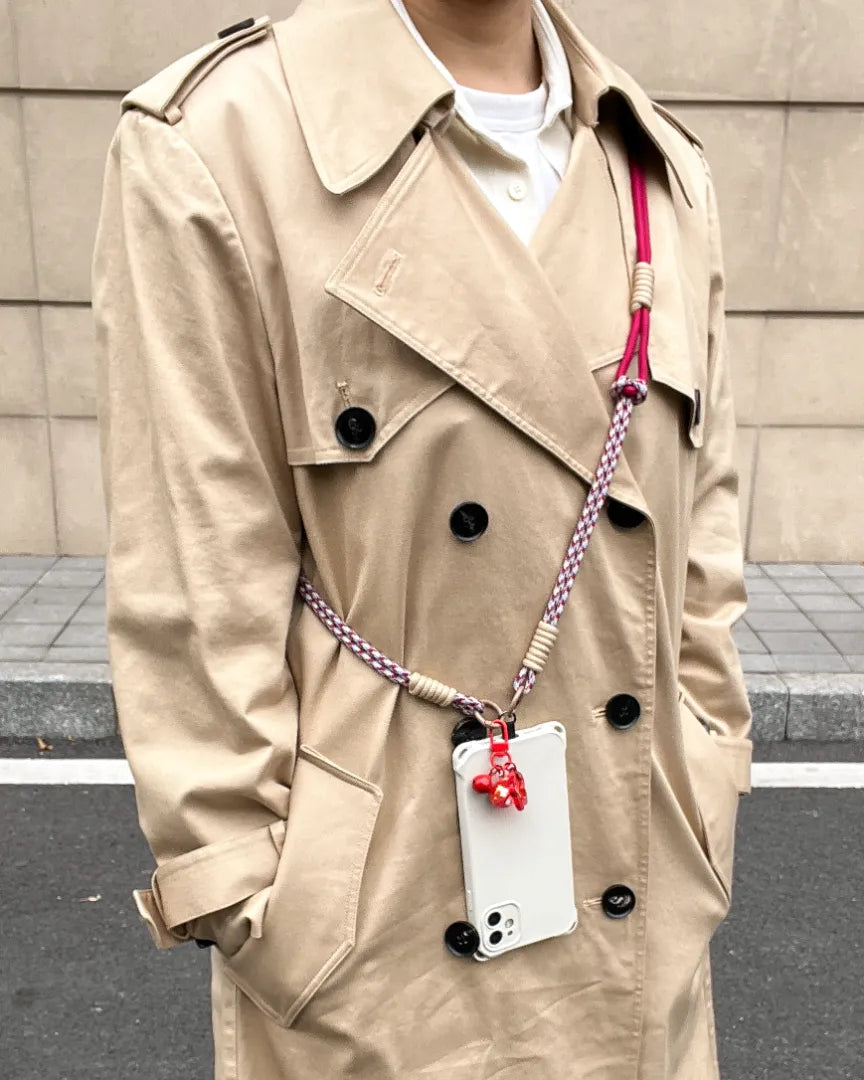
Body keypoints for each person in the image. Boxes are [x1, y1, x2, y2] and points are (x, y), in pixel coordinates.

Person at [90, 0, 753, 1077]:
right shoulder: (221, 143)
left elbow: (703, 539)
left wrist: (707, 768)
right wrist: (256, 892)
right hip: (376, 934)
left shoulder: (661, 171)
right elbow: (193, 571)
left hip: (634, 881)